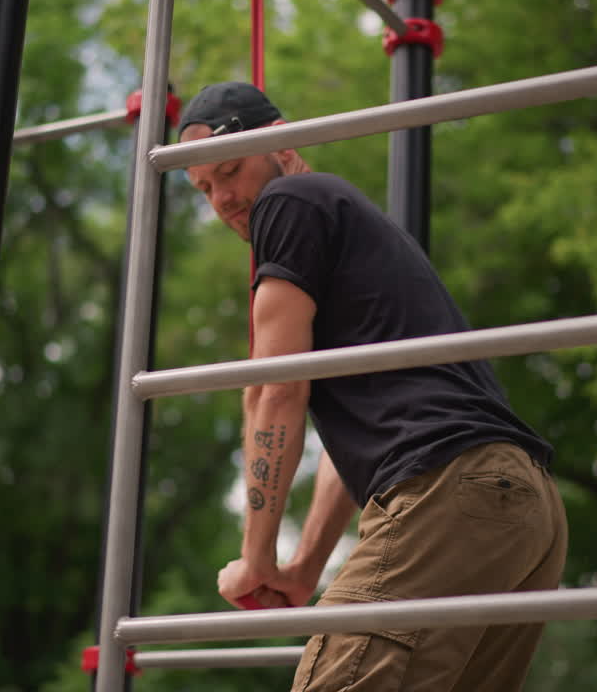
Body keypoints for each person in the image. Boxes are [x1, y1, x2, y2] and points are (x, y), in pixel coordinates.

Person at [177, 81, 568, 692]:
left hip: (448, 491)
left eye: (229, 170)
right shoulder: (347, 228)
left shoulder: (290, 199)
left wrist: (255, 557)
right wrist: (304, 566)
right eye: (204, 188)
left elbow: (273, 390)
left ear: (282, 142)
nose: (224, 199)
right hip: (522, 509)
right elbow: (365, 436)